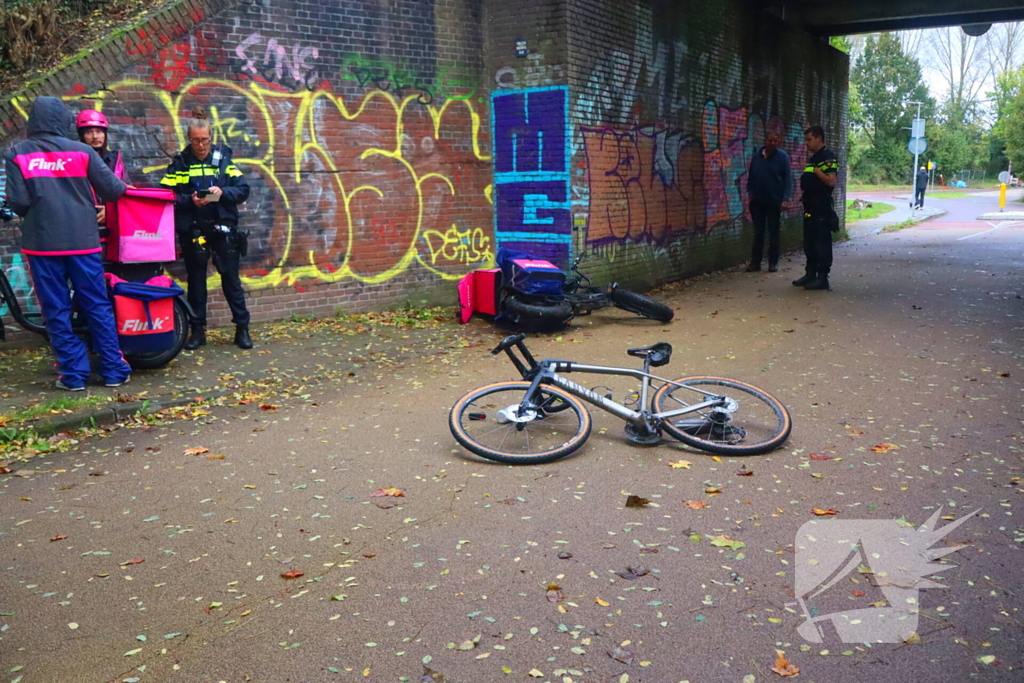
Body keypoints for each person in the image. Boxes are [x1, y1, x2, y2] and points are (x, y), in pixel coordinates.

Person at [2, 97, 132, 390]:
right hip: (83, 242)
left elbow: (19, 203)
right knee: (97, 304)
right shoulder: (82, 151)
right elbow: (113, 190)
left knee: (56, 309)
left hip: (42, 245)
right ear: (62, 120)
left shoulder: (17, 154)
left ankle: (73, 375)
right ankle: (113, 370)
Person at [160, 106, 252, 350]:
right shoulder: (180, 163)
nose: (201, 145)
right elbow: (166, 195)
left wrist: (222, 192)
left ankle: (242, 329)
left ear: (211, 138)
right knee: (197, 282)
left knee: (231, 280)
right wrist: (189, 200)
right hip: (194, 229)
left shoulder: (224, 161)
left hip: (223, 227)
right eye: (196, 140)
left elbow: (243, 190)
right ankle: (198, 331)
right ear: (188, 139)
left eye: (205, 140)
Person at [792, 125, 839, 291]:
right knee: (809, 242)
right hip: (810, 206)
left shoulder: (827, 157)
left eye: (809, 139)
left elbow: (831, 181)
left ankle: (822, 277)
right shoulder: (813, 158)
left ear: (819, 138)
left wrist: (817, 172)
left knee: (821, 242)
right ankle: (810, 273)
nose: (806, 143)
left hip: (821, 207)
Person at [746, 131, 792, 272]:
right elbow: (751, 176)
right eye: (770, 140)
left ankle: (773, 262)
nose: (772, 143)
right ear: (765, 140)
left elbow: (788, 179)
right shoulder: (757, 157)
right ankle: (755, 262)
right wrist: (750, 192)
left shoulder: (782, 157)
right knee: (758, 233)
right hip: (757, 202)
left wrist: (785, 199)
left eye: (775, 141)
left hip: (774, 201)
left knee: (773, 233)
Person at [76, 109, 128, 230]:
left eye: (99, 131)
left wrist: (110, 210)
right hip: (85, 223)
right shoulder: (75, 160)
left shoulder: (115, 160)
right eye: (89, 132)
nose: (95, 136)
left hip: (115, 224)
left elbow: (126, 192)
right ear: (82, 136)